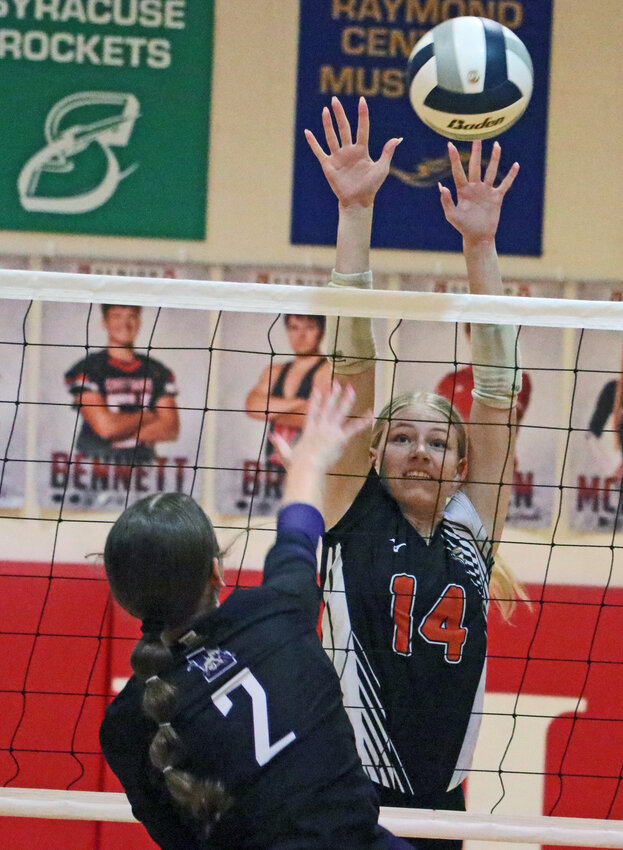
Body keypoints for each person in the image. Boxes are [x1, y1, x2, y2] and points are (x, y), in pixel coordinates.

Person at [305, 96, 521, 849]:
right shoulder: (349, 511)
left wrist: (481, 249)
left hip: (442, 804)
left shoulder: (470, 528)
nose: (420, 450)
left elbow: (496, 389)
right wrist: (354, 215)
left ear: (460, 463)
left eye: (436, 441)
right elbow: (352, 361)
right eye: (400, 436)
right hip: (349, 792)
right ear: (374, 451)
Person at [99, 384, 414, 850]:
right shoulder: (272, 613)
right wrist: (308, 462)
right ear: (216, 572)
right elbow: (296, 536)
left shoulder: (127, 725)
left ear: (126, 599)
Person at [64, 304, 179, 465]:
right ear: (104, 322)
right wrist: (148, 416)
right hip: (94, 469)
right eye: (117, 316)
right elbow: (106, 428)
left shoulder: (157, 370)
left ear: (139, 321)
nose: (125, 324)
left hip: (141, 471)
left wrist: (120, 428)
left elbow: (170, 428)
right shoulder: (88, 368)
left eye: (131, 316)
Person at [245, 313, 332, 466]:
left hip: (310, 468)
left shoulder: (328, 370)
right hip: (274, 466)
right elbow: (252, 405)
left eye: (309, 328)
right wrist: (300, 404)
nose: (301, 335)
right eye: (294, 328)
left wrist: (271, 413)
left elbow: (315, 416)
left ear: (321, 332)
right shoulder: (275, 370)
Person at [435, 324, 532, 424]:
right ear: (470, 337)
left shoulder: (518, 378)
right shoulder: (449, 382)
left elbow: (505, 424)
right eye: (483, 334)